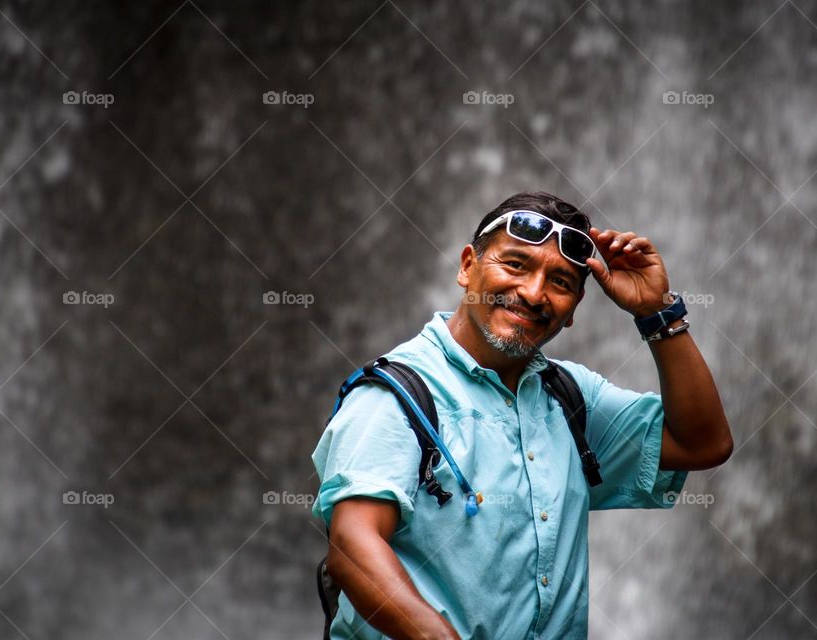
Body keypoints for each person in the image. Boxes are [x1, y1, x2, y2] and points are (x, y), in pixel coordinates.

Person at [311, 191, 733, 639]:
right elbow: (353, 548)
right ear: (467, 265)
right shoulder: (398, 396)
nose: (533, 293)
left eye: (561, 283)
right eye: (515, 265)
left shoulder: (569, 398)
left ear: (572, 312)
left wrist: (657, 312)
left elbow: (702, 443)